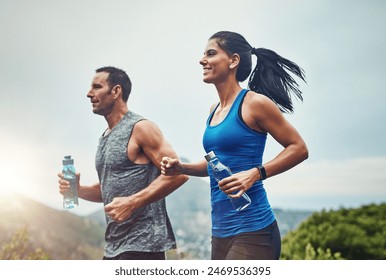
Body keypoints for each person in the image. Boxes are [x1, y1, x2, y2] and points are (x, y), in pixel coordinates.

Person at [161, 31, 309, 260]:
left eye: (211, 53)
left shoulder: (254, 103)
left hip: (254, 230)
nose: (202, 60)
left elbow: (298, 148)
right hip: (220, 232)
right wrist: (182, 168)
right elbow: (216, 163)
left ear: (233, 60)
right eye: (203, 54)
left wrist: (255, 174)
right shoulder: (213, 111)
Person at [58, 66, 188, 260]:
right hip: (113, 247)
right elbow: (110, 189)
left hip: (143, 246)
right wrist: (79, 189)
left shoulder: (141, 128)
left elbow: (178, 173)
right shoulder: (105, 137)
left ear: (116, 91)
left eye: (96, 87)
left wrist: (132, 202)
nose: (89, 93)